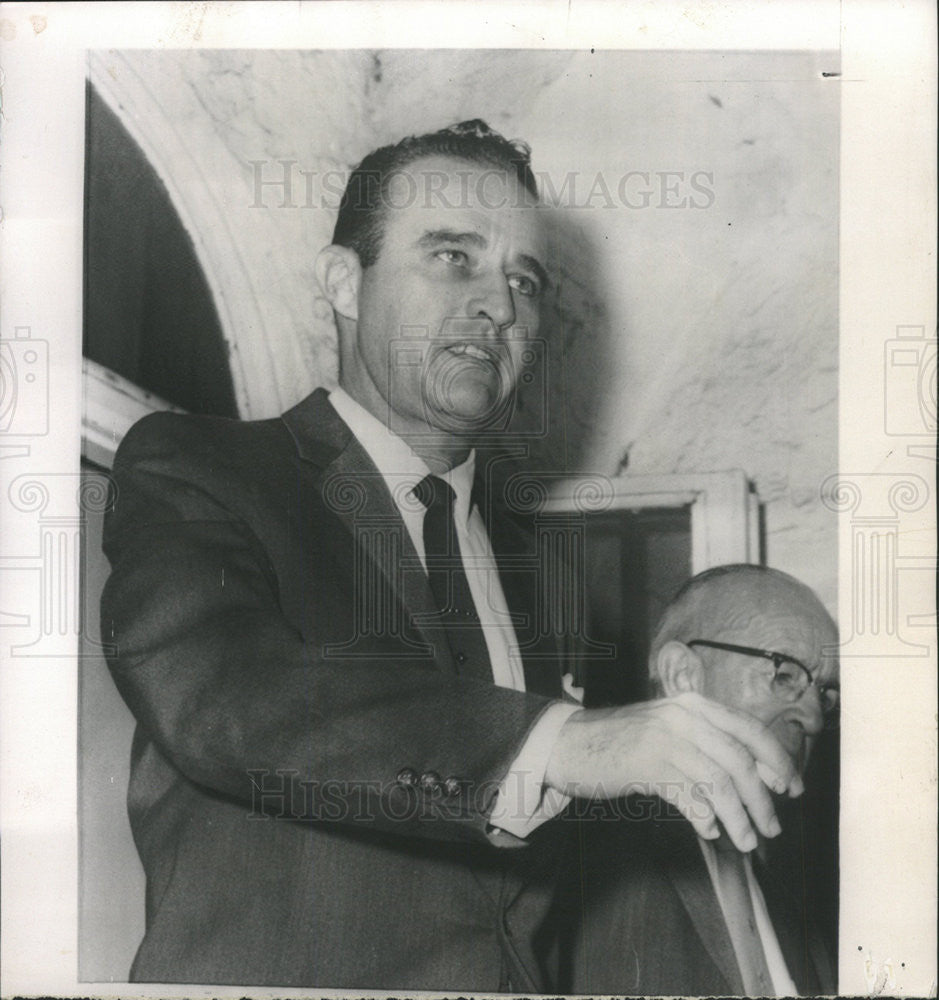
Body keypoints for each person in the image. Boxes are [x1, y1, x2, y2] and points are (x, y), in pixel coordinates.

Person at [100, 121, 802, 991]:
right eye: (452, 257)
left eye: (524, 280)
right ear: (342, 281)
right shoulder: (203, 468)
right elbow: (223, 696)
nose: (500, 306)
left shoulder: (545, 584)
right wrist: (561, 745)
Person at [567, 564, 840, 997]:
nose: (813, 719)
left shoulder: (800, 914)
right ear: (683, 676)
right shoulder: (579, 867)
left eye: (825, 695)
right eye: (783, 674)